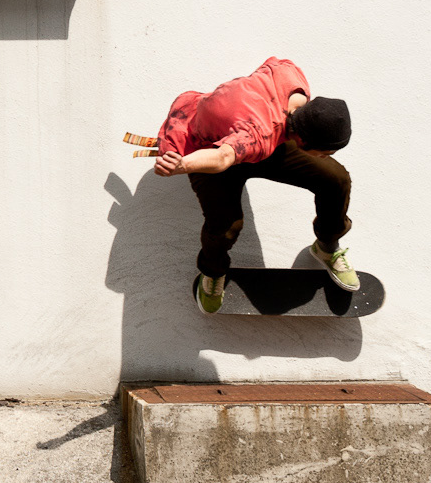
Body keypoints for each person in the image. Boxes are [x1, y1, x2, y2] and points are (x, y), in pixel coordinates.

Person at [150, 58, 354, 314]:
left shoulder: (293, 80)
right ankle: (212, 273)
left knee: (335, 178)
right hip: (211, 148)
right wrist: (180, 165)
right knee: (226, 225)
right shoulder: (261, 134)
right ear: (303, 138)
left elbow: (271, 65)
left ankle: (327, 246)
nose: (325, 156)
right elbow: (223, 158)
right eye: (324, 152)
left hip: (259, 141)